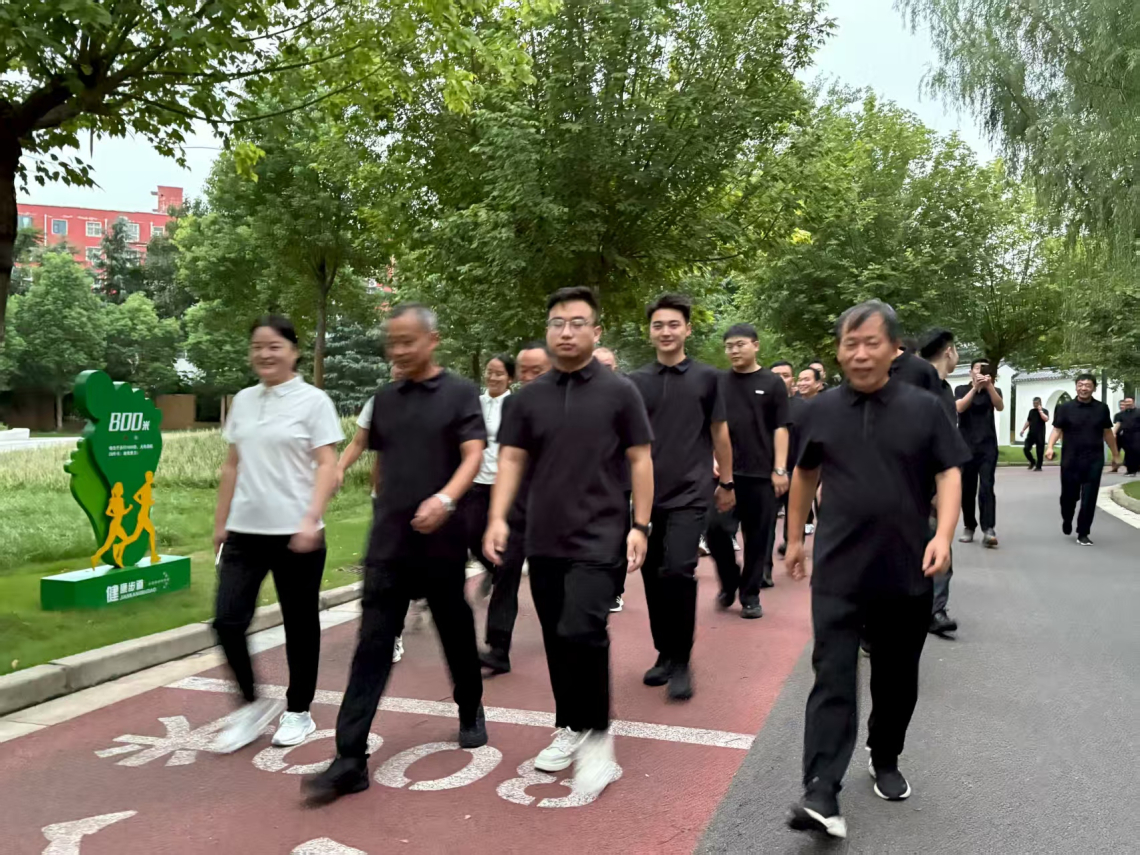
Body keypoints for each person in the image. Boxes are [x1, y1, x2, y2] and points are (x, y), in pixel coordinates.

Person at [784, 301, 969, 840]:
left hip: (905, 565)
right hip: (839, 566)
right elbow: (805, 475)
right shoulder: (820, 410)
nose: (860, 353)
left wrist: (943, 535)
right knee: (833, 672)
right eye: (850, 343)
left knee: (896, 676)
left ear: (894, 350)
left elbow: (949, 473)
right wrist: (794, 538)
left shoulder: (924, 407)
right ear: (838, 351)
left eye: (871, 343)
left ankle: (884, 754)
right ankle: (821, 789)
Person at [302, 304, 488, 805]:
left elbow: (473, 454)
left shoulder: (460, 393)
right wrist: (368, 495)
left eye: (409, 341)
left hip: (441, 539)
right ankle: (350, 758)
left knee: (454, 629)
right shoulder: (384, 398)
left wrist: (445, 499)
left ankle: (470, 705)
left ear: (432, 340)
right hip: (389, 542)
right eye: (393, 342)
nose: (399, 350)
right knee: (372, 644)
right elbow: (382, 459)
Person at [485, 286, 653, 799]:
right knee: (558, 636)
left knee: (584, 629)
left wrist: (640, 525)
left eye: (577, 322)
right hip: (544, 536)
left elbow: (640, 459)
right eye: (557, 322)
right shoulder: (528, 398)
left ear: (595, 332)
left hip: (601, 534)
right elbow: (511, 459)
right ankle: (570, 725)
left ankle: (598, 738)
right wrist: (498, 517)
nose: (566, 331)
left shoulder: (620, 392)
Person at [211, 316, 344, 753]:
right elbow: (232, 464)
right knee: (228, 620)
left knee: (300, 624)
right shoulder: (244, 401)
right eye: (257, 347)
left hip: (296, 534)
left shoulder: (314, 401)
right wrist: (221, 522)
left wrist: (311, 518)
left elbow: (327, 464)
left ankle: (298, 710)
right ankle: (250, 705)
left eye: (274, 346)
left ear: (294, 351)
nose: (265, 354)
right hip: (245, 533)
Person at [629, 294, 733, 701]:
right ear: (650, 332)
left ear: (687, 329)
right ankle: (665, 652)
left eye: (674, 324)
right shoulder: (636, 381)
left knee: (678, 571)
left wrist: (727, 483)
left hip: (691, 492)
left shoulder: (708, 378)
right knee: (653, 576)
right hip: (647, 495)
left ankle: (682, 660)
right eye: (658, 325)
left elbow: (720, 432)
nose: (666, 331)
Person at [705, 324, 790, 618]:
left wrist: (780, 469)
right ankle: (730, 581)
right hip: (725, 475)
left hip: (761, 474)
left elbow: (781, 428)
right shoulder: (718, 382)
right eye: (729, 346)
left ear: (756, 345)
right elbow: (709, 425)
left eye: (740, 344)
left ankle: (750, 595)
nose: (734, 351)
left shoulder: (773, 383)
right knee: (715, 529)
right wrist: (712, 457)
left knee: (757, 538)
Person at [480, 342, 552, 675]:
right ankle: (498, 648)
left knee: (549, 582)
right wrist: (498, 515)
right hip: (517, 508)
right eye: (525, 370)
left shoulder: (566, 404)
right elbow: (506, 458)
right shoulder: (514, 406)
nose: (529, 377)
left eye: (538, 370)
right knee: (505, 575)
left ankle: (562, 637)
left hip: (553, 511)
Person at [337, 365, 412, 664]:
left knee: (403, 571)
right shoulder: (378, 401)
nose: (399, 367)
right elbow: (359, 442)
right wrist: (339, 468)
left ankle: (395, 632)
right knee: (382, 568)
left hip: (418, 499)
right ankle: (384, 631)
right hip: (382, 496)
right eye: (395, 360)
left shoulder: (432, 401)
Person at [917, 328, 961, 637]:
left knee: (939, 544)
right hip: (916, 485)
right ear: (949, 351)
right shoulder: (921, 387)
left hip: (937, 484)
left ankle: (935, 609)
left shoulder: (945, 390)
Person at [1046, 374, 1121, 546]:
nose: (1084, 388)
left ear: (1094, 388)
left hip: (1094, 459)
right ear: (1076, 387)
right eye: (1080, 385)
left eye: (1087, 385)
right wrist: (1050, 447)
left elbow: (1107, 433)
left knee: (1089, 497)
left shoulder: (1102, 408)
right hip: (1070, 459)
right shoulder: (1065, 408)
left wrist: (1115, 454)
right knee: (1068, 497)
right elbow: (1057, 429)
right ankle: (1067, 518)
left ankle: (1083, 532)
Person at [463, 354, 515, 589]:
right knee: (472, 535)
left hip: (505, 484)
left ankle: (503, 582)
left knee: (504, 538)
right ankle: (494, 571)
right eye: (490, 372)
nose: (493, 377)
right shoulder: (475, 404)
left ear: (510, 378)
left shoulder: (515, 406)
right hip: (477, 480)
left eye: (499, 373)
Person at [593, 343, 631, 612]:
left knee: (617, 538)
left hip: (618, 480)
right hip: (583, 481)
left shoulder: (626, 395)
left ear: (615, 367)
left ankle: (615, 591)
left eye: (606, 366)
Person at [955, 359, 1004, 547]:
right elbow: (959, 407)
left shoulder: (994, 390)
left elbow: (1000, 406)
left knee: (987, 487)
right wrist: (975, 388)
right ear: (970, 372)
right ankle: (969, 526)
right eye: (977, 368)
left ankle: (988, 529)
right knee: (967, 489)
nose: (981, 371)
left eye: (984, 368)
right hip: (965, 446)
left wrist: (989, 386)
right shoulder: (961, 389)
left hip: (987, 446)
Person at [1020, 397, 1050, 471]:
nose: (1035, 405)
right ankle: (1032, 461)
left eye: (1036, 403)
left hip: (1040, 434)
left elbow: (1046, 419)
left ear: (1040, 403)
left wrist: (1040, 411)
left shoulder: (1044, 411)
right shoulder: (1031, 411)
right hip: (1031, 433)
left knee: (1039, 451)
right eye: (1034, 403)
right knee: (1026, 448)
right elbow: (1028, 421)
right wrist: (1023, 429)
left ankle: (1039, 466)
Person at [1113, 396, 1139, 476]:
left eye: (1129, 401)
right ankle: (1130, 470)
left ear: (1133, 402)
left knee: (1135, 451)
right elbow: (1118, 423)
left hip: (1137, 434)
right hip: (1126, 435)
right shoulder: (1122, 414)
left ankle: (1134, 470)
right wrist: (1113, 433)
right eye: (1126, 402)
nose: (1128, 403)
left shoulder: (1138, 412)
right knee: (1128, 452)